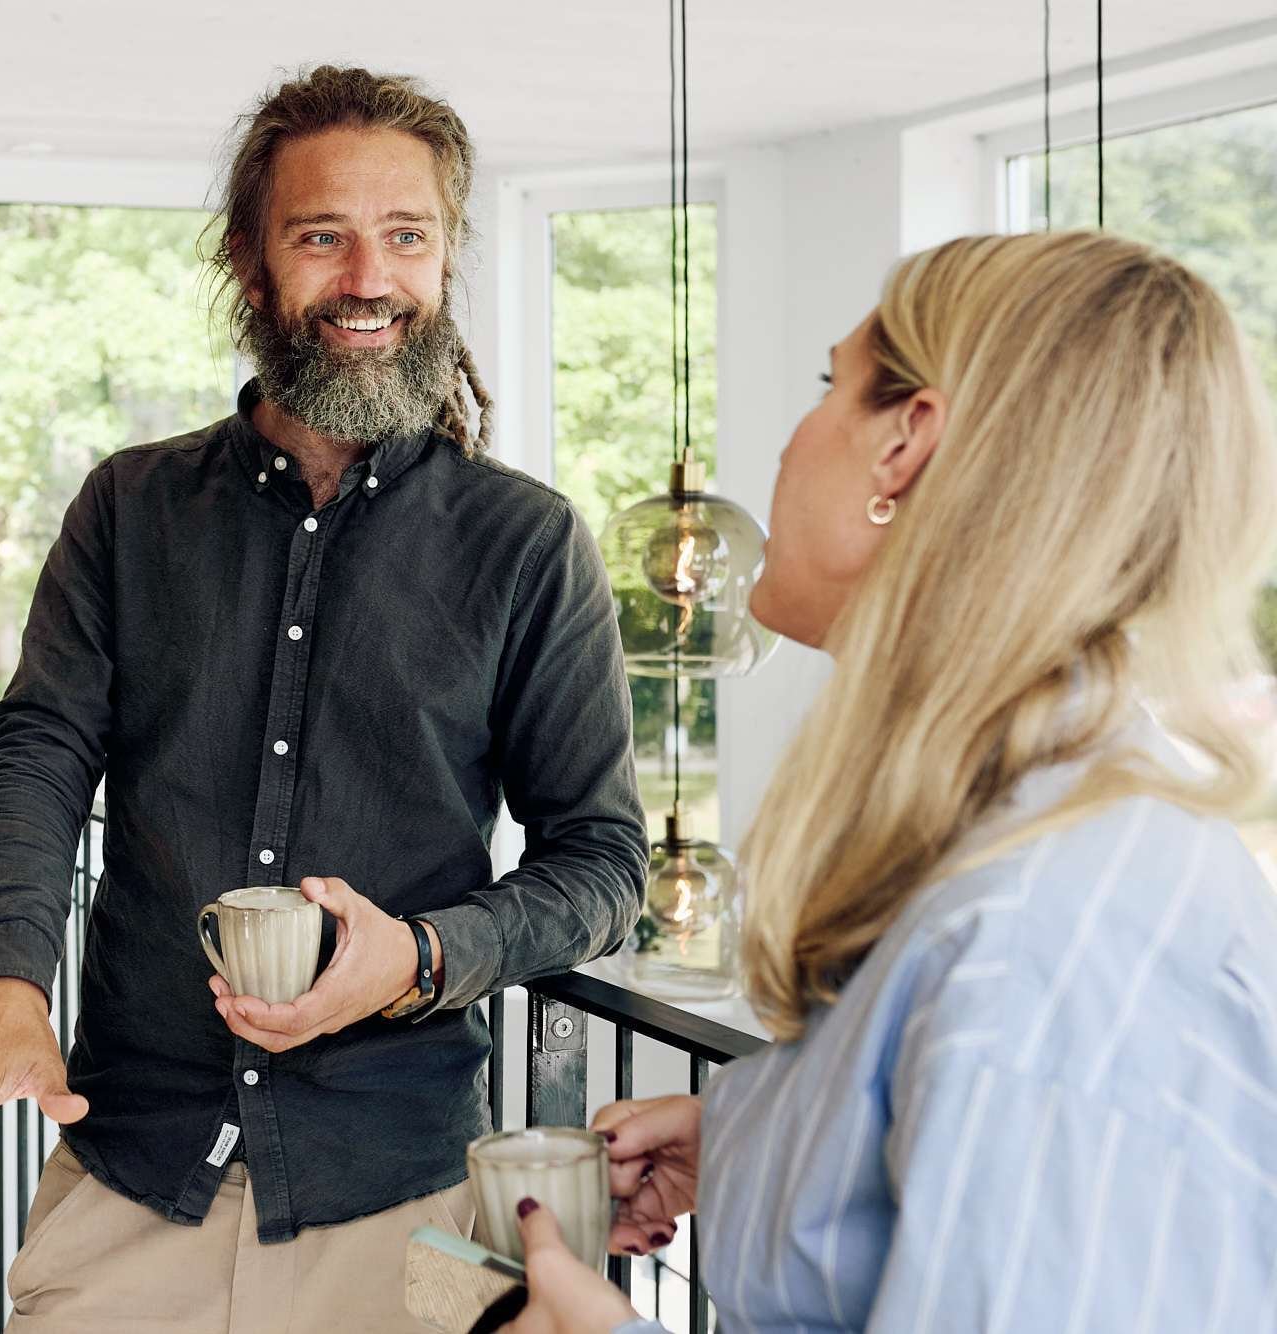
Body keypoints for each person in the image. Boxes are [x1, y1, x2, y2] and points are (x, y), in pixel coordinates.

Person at [0, 65, 650, 1332]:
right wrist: (5, 977)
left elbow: (600, 865)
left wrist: (422, 958)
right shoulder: (128, 505)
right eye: (322, 235)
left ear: (443, 258)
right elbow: (39, 751)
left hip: (418, 1200)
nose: (367, 276)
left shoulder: (527, 545)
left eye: (406, 236)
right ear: (250, 264)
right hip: (129, 1177)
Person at [495, 229, 1277, 1333]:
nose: (784, 440)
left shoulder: (1050, 935)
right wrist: (771, 1143)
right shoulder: (993, 835)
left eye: (830, 385)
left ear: (904, 447)